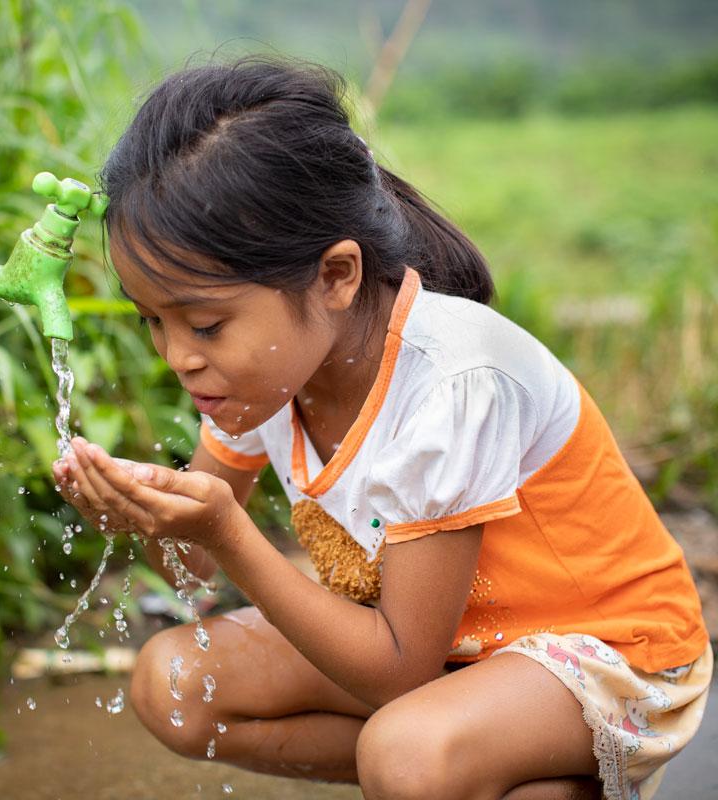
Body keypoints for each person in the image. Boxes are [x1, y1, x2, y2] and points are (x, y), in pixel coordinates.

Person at [51, 56, 712, 800]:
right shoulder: (262, 376)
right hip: (455, 652)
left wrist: (226, 531)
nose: (178, 357)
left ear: (335, 275)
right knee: (174, 684)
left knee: (407, 755)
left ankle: (505, 768)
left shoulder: (454, 384)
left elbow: (399, 668)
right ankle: (489, 766)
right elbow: (188, 567)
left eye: (205, 323)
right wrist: (142, 509)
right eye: (154, 322)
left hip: (610, 656)